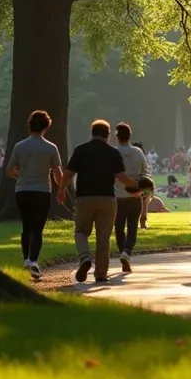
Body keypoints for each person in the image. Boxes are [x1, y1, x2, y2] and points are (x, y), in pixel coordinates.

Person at [58, 120, 140, 283]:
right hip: (107, 199)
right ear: (108, 135)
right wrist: (136, 186)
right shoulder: (113, 152)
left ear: (92, 133)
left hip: (84, 198)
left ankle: (85, 258)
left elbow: (68, 173)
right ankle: (101, 273)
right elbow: (121, 177)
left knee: (81, 230)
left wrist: (61, 189)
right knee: (103, 236)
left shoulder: (81, 150)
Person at [5, 110, 64, 280]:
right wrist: (61, 190)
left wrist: (21, 175)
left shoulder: (20, 146)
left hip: (22, 190)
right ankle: (33, 261)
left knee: (26, 226)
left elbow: (10, 170)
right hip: (42, 191)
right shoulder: (50, 147)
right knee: (38, 229)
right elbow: (57, 174)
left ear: (30, 125)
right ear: (46, 126)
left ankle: (25, 259)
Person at [112, 122, 150, 274]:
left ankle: (123, 252)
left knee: (119, 228)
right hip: (135, 196)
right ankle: (127, 252)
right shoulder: (138, 152)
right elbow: (146, 173)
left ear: (117, 136)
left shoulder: (113, 152)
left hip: (118, 195)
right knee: (133, 227)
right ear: (129, 136)